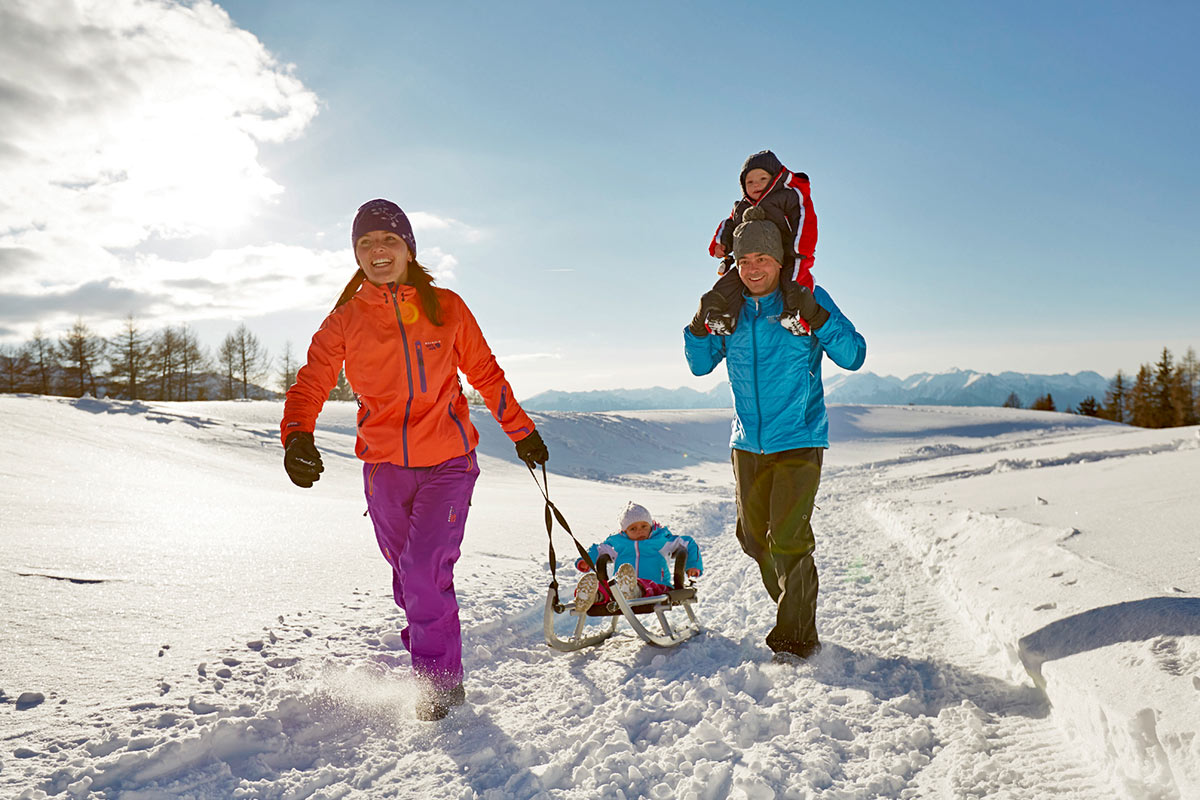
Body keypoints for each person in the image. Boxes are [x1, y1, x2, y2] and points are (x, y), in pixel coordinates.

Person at [280, 198, 549, 721]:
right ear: (356, 254)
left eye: (388, 241)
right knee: (408, 579)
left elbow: (485, 374)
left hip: (449, 461)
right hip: (384, 469)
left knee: (425, 571)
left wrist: (522, 432)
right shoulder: (345, 320)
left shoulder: (446, 307)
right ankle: (432, 653)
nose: (377, 251)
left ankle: (440, 686)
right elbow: (311, 379)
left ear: (408, 248)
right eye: (365, 244)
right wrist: (297, 436)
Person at [683, 207, 866, 660]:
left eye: (762, 258)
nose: (753, 269)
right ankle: (793, 604)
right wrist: (697, 325)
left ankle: (796, 636)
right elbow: (700, 364)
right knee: (753, 538)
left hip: (799, 439)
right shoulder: (733, 309)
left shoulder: (804, 299)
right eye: (745, 261)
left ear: (781, 261)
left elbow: (854, 354)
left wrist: (818, 316)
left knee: (787, 539)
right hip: (747, 443)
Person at [703, 149, 818, 337]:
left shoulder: (789, 197)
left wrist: (800, 248)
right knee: (728, 283)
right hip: (750, 258)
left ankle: (798, 316)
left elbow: (805, 217)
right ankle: (723, 316)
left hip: (790, 254)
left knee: (795, 281)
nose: (756, 185)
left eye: (762, 179)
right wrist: (720, 243)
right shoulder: (742, 207)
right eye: (750, 182)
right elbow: (729, 224)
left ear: (774, 179)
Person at [573, 502, 703, 611]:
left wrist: (693, 565)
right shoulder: (617, 544)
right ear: (624, 531)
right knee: (608, 587)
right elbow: (598, 549)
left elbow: (688, 543)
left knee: (642, 586)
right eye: (633, 529)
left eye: (644, 526)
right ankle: (592, 596)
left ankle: (633, 590)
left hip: (658, 586)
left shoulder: (662, 540)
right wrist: (586, 560)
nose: (639, 530)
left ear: (650, 525)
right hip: (621, 587)